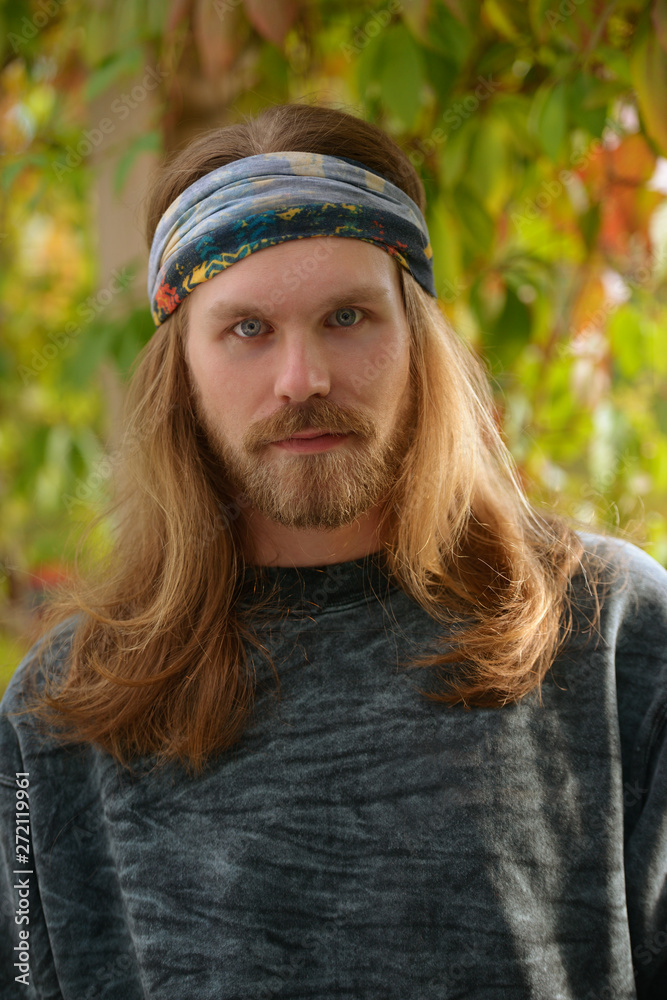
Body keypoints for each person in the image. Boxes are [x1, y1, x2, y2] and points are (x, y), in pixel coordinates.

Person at [1, 101, 666, 1000]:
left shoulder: (612, 633)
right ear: (181, 374)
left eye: (347, 318)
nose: (302, 380)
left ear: (415, 339)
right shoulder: (59, 715)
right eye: (247, 330)